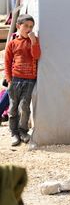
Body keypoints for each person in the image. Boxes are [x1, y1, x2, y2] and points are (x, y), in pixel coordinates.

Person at [4, 14, 41, 147]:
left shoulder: (34, 41)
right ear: (19, 26)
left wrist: (33, 42)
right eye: (26, 26)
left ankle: (23, 131)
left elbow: (36, 55)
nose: (29, 29)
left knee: (24, 107)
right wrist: (9, 81)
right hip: (15, 80)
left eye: (31, 27)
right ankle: (14, 132)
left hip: (30, 81)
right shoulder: (12, 44)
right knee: (13, 108)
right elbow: (7, 63)